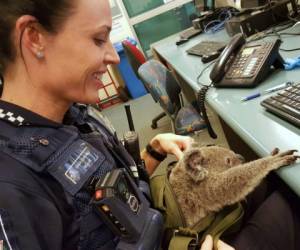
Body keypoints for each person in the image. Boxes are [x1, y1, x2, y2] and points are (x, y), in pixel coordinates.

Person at [0, 0, 299, 249]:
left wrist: (153, 153)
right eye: (98, 39)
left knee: (276, 178)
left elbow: (111, 198)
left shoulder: (76, 115)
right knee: (292, 202)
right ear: (34, 37)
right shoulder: (12, 185)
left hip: (167, 226)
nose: (111, 57)